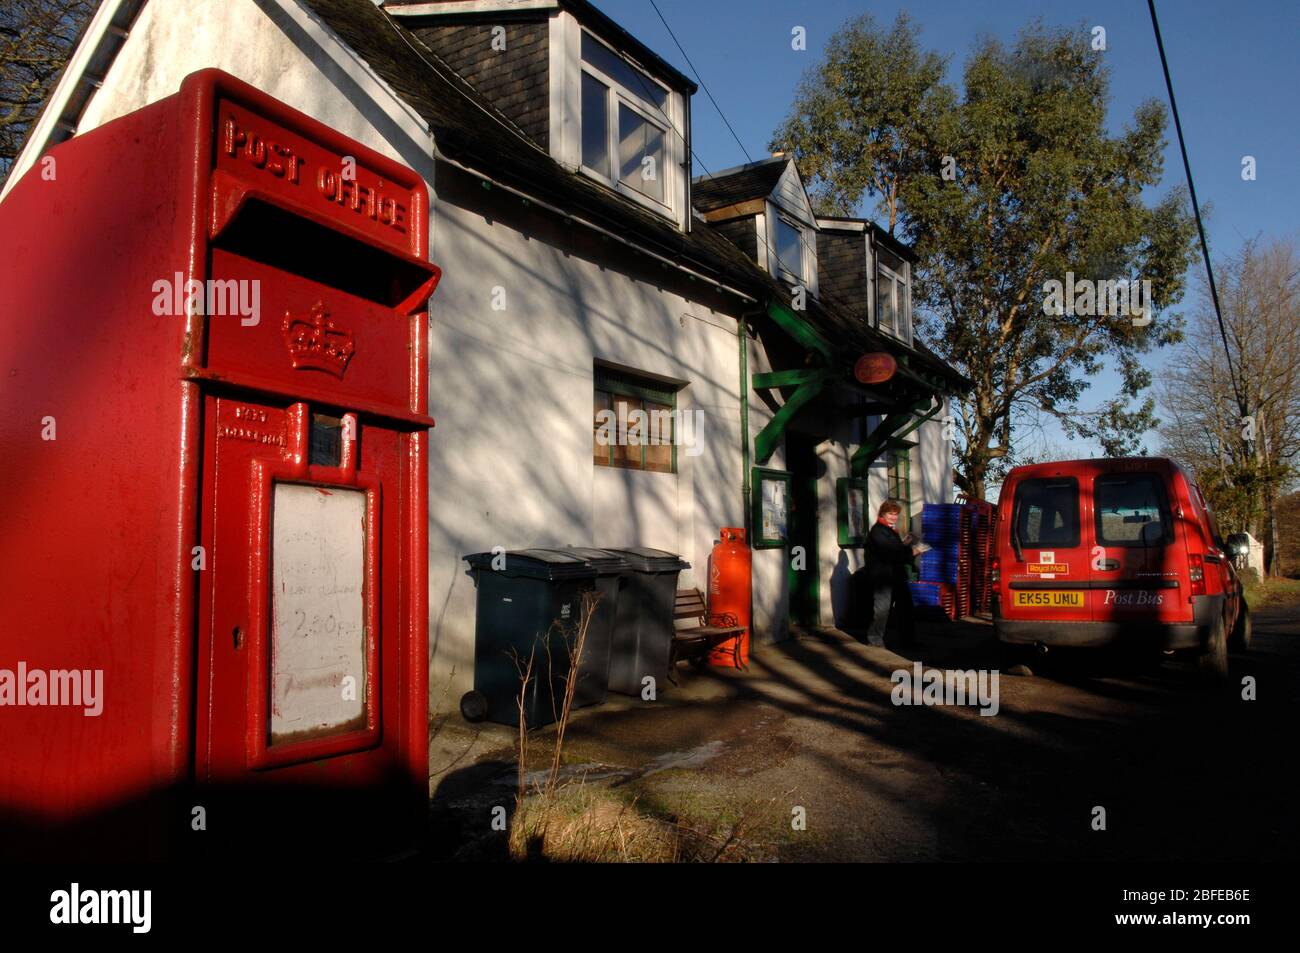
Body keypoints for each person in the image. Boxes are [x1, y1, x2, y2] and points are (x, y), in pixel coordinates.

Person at [864, 499, 923, 650]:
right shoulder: (878, 531)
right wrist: (912, 552)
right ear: (883, 513)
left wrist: (905, 545)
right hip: (883, 576)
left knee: (906, 608)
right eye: (891, 514)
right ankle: (874, 638)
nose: (894, 517)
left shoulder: (890, 530)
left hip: (896, 574)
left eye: (896, 514)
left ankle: (908, 640)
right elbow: (889, 553)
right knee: (882, 608)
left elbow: (895, 550)